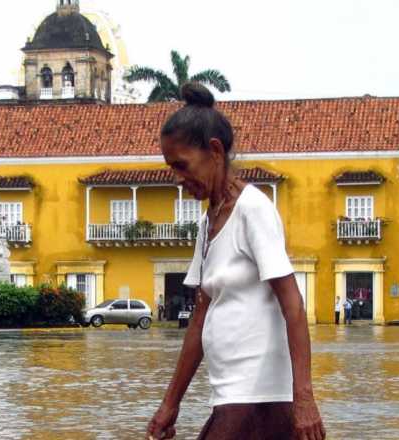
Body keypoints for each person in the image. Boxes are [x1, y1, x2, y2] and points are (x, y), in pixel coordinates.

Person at [147, 83, 325, 440]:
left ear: (214, 151)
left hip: (260, 397)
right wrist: (170, 404)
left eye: (181, 165)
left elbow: (292, 303)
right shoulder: (207, 222)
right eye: (171, 168)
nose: (178, 179)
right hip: (229, 393)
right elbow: (201, 316)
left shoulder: (252, 209)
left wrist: (303, 398)